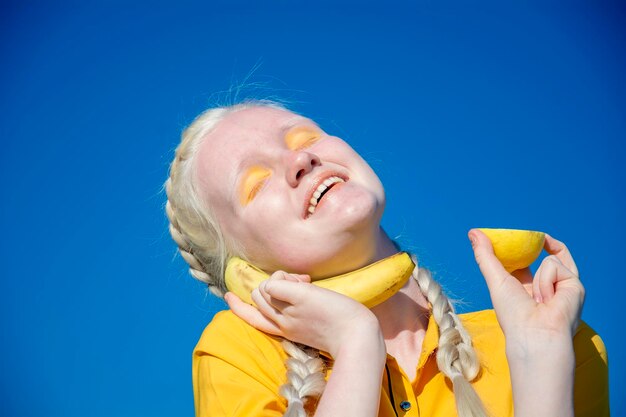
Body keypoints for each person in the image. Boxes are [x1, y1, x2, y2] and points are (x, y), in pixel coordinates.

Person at [164, 100, 609, 417]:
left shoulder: (560, 341)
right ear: (246, 272)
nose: (302, 158)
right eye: (257, 183)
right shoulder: (236, 355)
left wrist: (540, 356)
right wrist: (357, 343)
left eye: (307, 137)